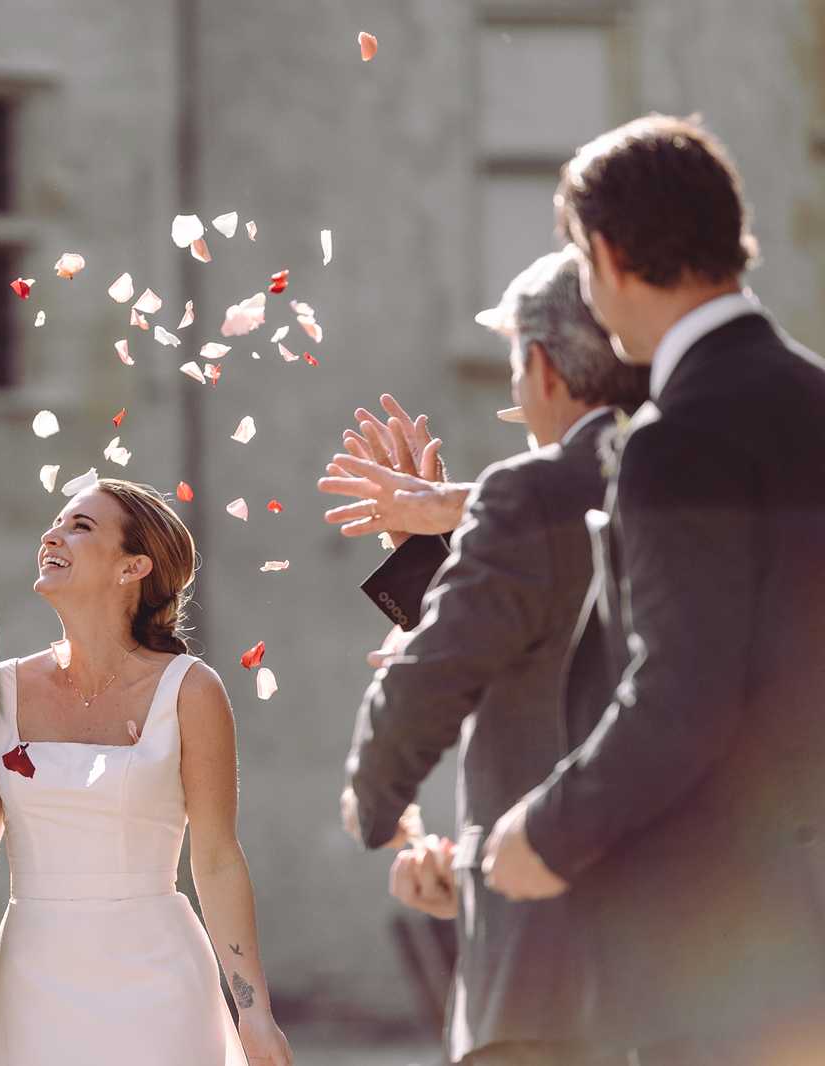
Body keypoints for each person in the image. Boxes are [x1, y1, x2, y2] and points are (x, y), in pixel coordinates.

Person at [480, 115, 825, 1065]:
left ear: (607, 251)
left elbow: (681, 694)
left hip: (712, 945)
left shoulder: (676, 441)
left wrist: (544, 833)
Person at [332, 249, 649, 1066]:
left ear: (540, 367)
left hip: (549, 977)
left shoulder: (533, 491)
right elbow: (550, 630)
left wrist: (373, 808)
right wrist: (435, 550)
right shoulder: (692, 474)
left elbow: (443, 671)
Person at [0, 479, 293, 1064]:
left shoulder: (189, 688)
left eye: (81, 526)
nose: (52, 535)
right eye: (56, 522)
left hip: (160, 975)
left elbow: (218, 857)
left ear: (133, 567)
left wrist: (253, 1014)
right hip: (35, 974)